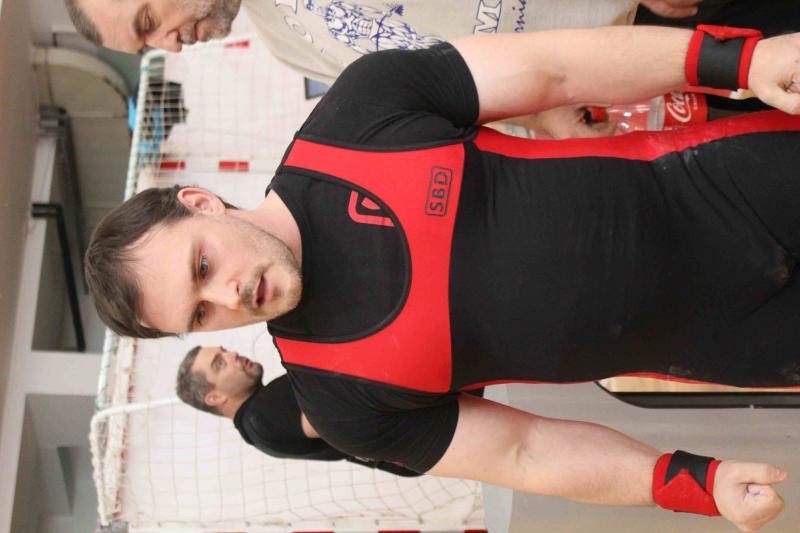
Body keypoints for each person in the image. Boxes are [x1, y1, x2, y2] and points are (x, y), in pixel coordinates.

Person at [86, 25, 800, 530]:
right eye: (200, 314)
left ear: (201, 203)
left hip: (735, 183)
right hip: (741, 341)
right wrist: (692, 485)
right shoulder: (339, 401)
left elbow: (555, 69)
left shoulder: (358, 116)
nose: (227, 296)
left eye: (203, 265)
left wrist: (739, 61)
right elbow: (526, 452)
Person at [65, 0, 789, 139]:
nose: (170, 44)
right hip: (638, 81)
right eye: (149, 47)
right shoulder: (283, 44)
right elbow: (446, 81)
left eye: (148, 20)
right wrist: (539, 116)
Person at [175, 345, 424, 475]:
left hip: (414, 446)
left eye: (224, 350)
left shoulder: (255, 430)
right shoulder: (262, 413)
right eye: (220, 363)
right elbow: (340, 416)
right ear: (215, 397)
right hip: (419, 428)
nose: (232, 354)